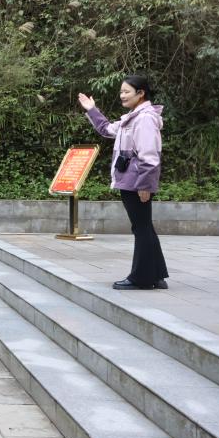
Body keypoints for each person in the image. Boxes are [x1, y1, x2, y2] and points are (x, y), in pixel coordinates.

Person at [79, 75, 169, 290]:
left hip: (137, 181)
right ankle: (156, 275)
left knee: (141, 227)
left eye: (126, 91)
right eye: (121, 91)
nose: (122, 95)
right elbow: (107, 129)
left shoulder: (145, 119)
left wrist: (145, 185)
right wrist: (92, 109)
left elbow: (150, 155)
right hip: (131, 179)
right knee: (144, 226)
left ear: (141, 93)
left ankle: (142, 278)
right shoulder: (132, 117)